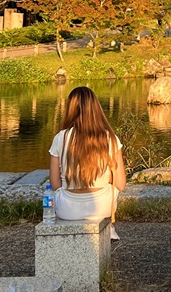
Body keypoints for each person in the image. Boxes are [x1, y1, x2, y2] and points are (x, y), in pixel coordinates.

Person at [48, 86, 126, 239]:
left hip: (66, 210)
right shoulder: (109, 137)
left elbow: (55, 183)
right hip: (102, 207)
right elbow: (121, 184)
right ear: (96, 108)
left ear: (70, 108)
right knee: (110, 188)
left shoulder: (60, 138)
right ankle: (108, 228)